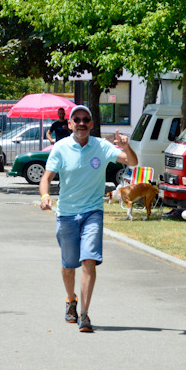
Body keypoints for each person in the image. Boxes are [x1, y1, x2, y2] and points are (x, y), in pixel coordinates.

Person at [39, 105, 137, 332]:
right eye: (77, 120)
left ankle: (84, 314)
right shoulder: (61, 148)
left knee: (88, 261)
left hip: (93, 211)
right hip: (66, 213)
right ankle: (70, 300)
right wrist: (45, 196)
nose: (81, 123)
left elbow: (131, 162)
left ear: (91, 124)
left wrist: (126, 146)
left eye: (86, 120)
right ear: (70, 124)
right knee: (68, 265)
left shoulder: (101, 146)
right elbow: (46, 178)